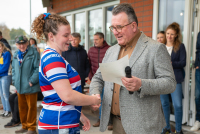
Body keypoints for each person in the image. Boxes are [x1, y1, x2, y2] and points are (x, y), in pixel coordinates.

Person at [89, 3, 176, 134]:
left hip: (144, 126)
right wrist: (95, 93)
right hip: (117, 124)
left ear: (133, 26)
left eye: (119, 27)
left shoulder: (155, 48)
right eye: (113, 27)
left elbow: (170, 83)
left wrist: (141, 84)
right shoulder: (111, 51)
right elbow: (98, 77)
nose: (114, 32)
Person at [31, 13, 101, 134]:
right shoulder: (53, 59)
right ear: (51, 36)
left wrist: (80, 114)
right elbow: (67, 96)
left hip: (62, 123)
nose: (70, 38)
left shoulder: (56, 56)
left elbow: (60, 94)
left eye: (70, 34)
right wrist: (93, 100)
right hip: (58, 125)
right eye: (65, 35)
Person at [160, 22, 186, 134]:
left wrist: (171, 63)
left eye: (172, 34)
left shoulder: (180, 46)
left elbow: (183, 62)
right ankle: (167, 127)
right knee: (164, 104)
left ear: (176, 35)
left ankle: (179, 130)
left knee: (177, 105)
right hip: (162, 79)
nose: (169, 36)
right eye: (167, 33)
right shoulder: (161, 46)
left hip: (176, 79)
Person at [12, 35, 40, 134]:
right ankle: (24, 126)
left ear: (27, 43)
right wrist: (14, 80)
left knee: (31, 107)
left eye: (23, 43)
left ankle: (31, 128)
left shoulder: (34, 53)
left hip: (30, 86)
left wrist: (32, 81)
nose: (21, 46)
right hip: (20, 86)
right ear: (16, 45)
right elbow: (14, 69)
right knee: (22, 107)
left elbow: (38, 69)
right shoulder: (16, 54)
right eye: (19, 44)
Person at [88, 32, 113, 130]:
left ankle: (110, 121)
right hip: (96, 80)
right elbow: (88, 64)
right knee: (99, 100)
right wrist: (91, 76)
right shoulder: (91, 50)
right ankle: (101, 119)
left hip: (108, 80)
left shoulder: (109, 49)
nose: (94, 41)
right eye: (93, 39)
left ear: (102, 39)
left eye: (96, 39)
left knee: (108, 100)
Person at [191, 32, 200, 131]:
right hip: (199, 69)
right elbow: (198, 50)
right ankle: (198, 121)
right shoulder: (199, 34)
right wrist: (197, 64)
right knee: (198, 96)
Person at [0, 41, 12, 117]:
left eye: (0, 47)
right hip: (1, 75)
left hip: (6, 76)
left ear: (3, 46)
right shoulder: (0, 54)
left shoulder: (6, 53)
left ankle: (9, 111)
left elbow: (5, 66)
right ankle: (5, 110)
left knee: (5, 94)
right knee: (1, 94)